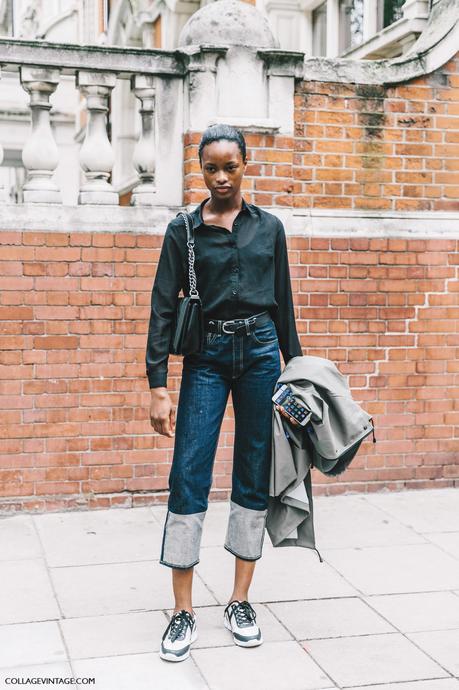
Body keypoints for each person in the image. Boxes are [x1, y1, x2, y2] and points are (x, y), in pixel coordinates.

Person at [146, 123, 302, 662]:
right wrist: (157, 385)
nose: (218, 177)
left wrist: (297, 371)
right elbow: (164, 307)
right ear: (200, 168)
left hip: (260, 353)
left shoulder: (269, 228)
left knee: (252, 470)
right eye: (209, 167)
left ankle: (240, 599)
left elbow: (282, 301)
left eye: (228, 167)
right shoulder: (183, 231)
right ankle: (183, 610)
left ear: (245, 165)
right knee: (188, 471)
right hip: (206, 357)